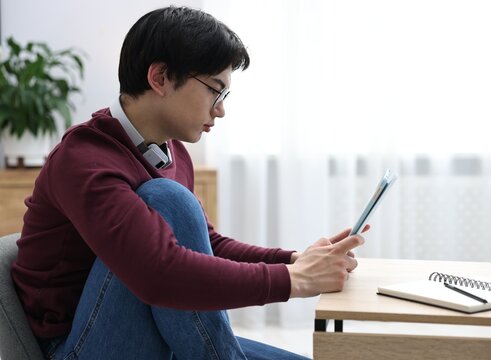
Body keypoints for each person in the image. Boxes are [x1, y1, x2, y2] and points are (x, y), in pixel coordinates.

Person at [11, 6, 366, 360]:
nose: (221, 109)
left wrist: (294, 260)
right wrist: (296, 281)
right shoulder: (83, 158)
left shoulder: (172, 151)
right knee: (165, 196)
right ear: (161, 77)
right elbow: (158, 273)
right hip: (79, 346)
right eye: (216, 90)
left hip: (156, 329)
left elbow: (206, 244)